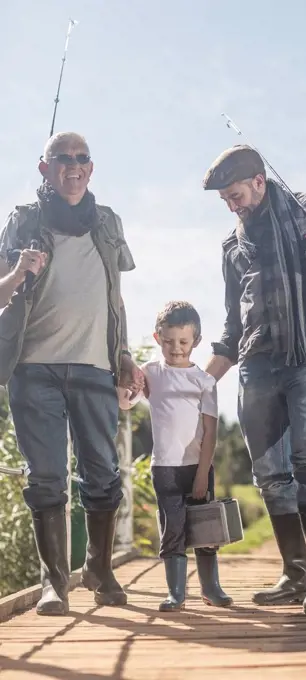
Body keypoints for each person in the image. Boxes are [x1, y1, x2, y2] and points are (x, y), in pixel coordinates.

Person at [202, 145, 306, 613]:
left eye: (235, 195)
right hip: (257, 359)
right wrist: (201, 380)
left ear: (259, 180)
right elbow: (233, 326)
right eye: (224, 201)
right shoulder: (231, 245)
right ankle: (294, 574)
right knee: (271, 474)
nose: (232, 206)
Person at [0, 132, 143, 616]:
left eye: (82, 159)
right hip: (33, 369)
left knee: (102, 474)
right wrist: (19, 272)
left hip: (95, 366)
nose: (74, 167)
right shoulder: (24, 221)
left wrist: (123, 353)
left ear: (91, 168)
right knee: (46, 478)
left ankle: (100, 572)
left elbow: (115, 296)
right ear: (45, 168)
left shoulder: (107, 223)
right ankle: (53, 585)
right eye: (63, 159)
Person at [138, 301, 232, 612]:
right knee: (172, 528)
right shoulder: (150, 373)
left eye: (183, 342)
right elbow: (126, 403)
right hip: (164, 467)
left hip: (197, 466)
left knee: (205, 531)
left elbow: (210, 432)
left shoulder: (204, 381)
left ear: (196, 341)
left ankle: (211, 588)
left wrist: (203, 473)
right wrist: (121, 380)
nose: (175, 349)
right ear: (157, 338)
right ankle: (176, 592)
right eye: (168, 342)